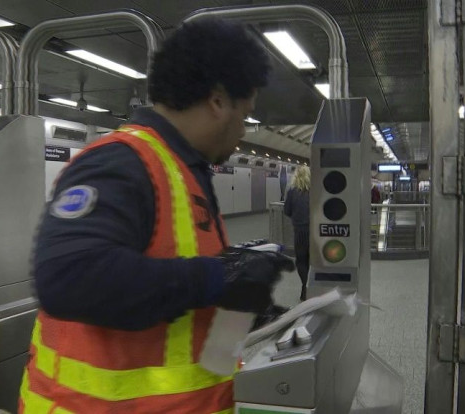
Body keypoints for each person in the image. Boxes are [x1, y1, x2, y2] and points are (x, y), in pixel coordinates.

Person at [18, 18, 294, 414]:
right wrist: (220, 277)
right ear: (218, 102)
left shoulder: (184, 171)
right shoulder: (121, 161)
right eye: (245, 114)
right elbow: (67, 278)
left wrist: (241, 302)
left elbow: (166, 287)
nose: (243, 132)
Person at [284, 166, 310, 301]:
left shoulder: (292, 192)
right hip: (314, 232)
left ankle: (304, 286)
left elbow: (287, 211)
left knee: (301, 260)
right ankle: (314, 286)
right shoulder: (315, 191)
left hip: (299, 231)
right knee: (314, 260)